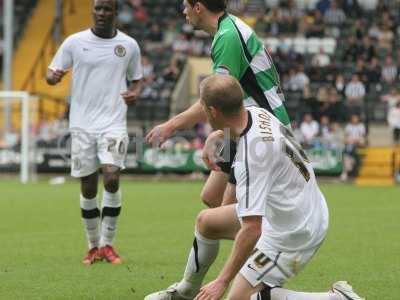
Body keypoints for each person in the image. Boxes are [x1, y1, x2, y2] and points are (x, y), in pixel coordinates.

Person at [150, 74, 365, 300]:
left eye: (202, 106)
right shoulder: (256, 112)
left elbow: (252, 229)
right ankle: (186, 292)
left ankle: (335, 299)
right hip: (295, 207)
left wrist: (221, 281)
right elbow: (236, 130)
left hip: (294, 232)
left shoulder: (253, 159)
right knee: (207, 221)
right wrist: (216, 136)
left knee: (239, 298)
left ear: (212, 111)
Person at [145, 0, 290, 298]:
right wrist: (220, 135)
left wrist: (171, 125)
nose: (182, 11)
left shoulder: (227, 38)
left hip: (258, 133)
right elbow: (225, 101)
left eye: (186, 5)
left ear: (199, 7)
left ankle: (241, 278)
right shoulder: (227, 30)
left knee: (223, 214)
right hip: (240, 128)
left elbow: (214, 99)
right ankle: (256, 265)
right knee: (212, 199)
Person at [46, 0, 143, 265]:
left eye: (107, 9)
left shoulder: (129, 45)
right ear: (93, 11)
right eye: (97, 9)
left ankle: (108, 245)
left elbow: (137, 78)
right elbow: (52, 72)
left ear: (115, 12)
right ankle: (92, 247)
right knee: (88, 186)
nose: (101, 14)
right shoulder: (74, 42)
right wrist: (52, 77)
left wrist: (135, 92)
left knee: (111, 177)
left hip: (114, 122)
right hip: (81, 124)